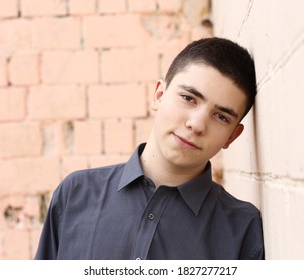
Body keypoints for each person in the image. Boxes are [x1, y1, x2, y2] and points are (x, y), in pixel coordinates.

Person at [35, 37, 264, 260]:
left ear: (232, 136)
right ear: (159, 95)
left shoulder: (242, 228)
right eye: (188, 98)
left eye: (221, 117)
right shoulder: (76, 194)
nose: (196, 124)